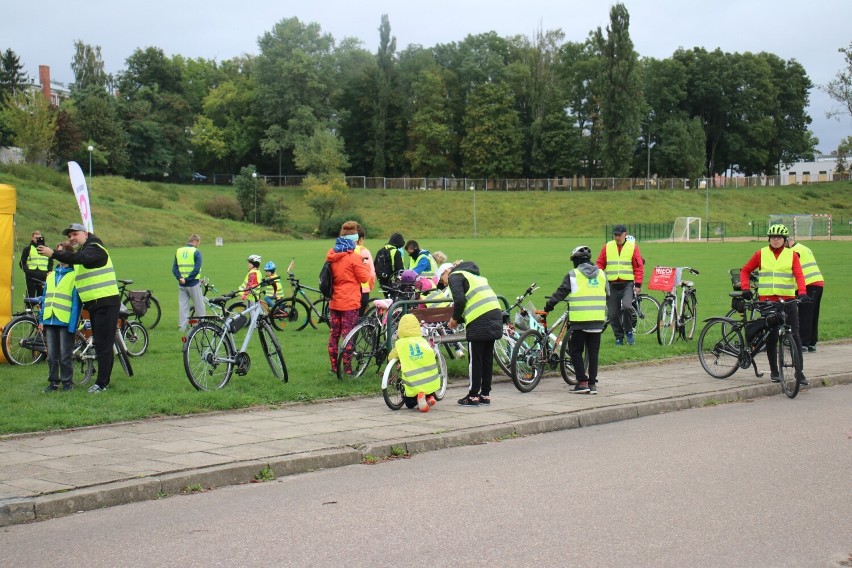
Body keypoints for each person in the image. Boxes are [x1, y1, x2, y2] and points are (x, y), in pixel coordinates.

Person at [38, 223, 120, 393]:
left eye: (75, 234)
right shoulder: (86, 249)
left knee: (103, 345)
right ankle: (101, 381)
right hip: (95, 304)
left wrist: (53, 253)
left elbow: (80, 259)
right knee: (100, 343)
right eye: (69, 236)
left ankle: (102, 383)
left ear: (85, 233)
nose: (72, 238)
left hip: (105, 302)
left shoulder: (95, 247)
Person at [740, 224, 808, 385]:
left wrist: (803, 292)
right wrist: (745, 288)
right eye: (773, 237)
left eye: (779, 238)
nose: (776, 240)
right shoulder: (761, 254)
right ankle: (775, 372)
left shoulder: (792, 255)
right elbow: (745, 270)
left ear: (785, 240)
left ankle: (800, 372)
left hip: (788, 301)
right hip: (768, 302)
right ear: (769, 239)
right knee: (771, 336)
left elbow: (799, 275)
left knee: (795, 335)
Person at [542, 245, 609, 394]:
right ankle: (592, 384)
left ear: (576, 260)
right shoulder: (601, 274)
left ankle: (582, 382)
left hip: (580, 321)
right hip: (598, 320)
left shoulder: (574, 274)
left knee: (575, 351)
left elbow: (560, 293)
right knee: (593, 353)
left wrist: (548, 307)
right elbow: (607, 294)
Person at [444, 260, 503, 406]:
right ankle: (485, 394)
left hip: (479, 320)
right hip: (495, 315)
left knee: (475, 359)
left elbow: (459, 300)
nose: (442, 281)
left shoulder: (455, 276)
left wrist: (454, 319)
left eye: (441, 276)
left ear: (447, 271)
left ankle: (473, 395)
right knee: (487, 358)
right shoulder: (476, 277)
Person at [326, 221, 370, 375]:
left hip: (334, 300)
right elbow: (364, 277)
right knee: (348, 335)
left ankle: (334, 367)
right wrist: (363, 264)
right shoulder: (354, 257)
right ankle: (348, 369)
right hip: (350, 302)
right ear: (355, 240)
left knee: (334, 334)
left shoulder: (332, 254)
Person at [38, 241, 82, 392]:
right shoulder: (50, 276)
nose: (59, 255)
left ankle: (67, 383)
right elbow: (44, 298)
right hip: (50, 319)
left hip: (64, 321)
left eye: (62, 252)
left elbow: (76, 303)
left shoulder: (74, 276)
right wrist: (41, 319)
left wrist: (72, 324)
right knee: (51, 356)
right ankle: (53, 383)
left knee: (65, 355)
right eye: (57, 252)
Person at [596, 224, 644, 346]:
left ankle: (628, 331)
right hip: (611, 285)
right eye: (615, 235)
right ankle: (619, 337)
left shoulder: (633, 247)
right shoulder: (607, 247)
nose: (617, 237)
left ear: (625, 234)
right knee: (612, 314)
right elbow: (600, 264)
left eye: (619, 235)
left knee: (627, 307)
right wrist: (598, 278)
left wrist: (638, 284)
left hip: (627, 284)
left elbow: (638, 267)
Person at [387, 313, 441, 412]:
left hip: (412, 383)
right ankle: (429, 397)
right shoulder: (423, 341)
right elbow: (431, 353)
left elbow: (391, 357)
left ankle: (419, 398)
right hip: (427, 379)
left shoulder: (400, 344)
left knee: (410, 404)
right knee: (428, 385)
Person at [786, 235, 824, 353]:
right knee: (813, 314)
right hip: (818, 282)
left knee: (804, 314)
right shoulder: (805, 248)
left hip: (808, 284)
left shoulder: (793, 251)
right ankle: (812, 343)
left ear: (787, 242)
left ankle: (803, 343)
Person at [173, 234, 204, 330]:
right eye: (198, 243)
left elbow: (174, 268)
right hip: (193, 283)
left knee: (183, 306)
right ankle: (203, 325)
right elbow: (196, 269)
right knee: (199, 306)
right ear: (195, 241)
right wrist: (187, 279)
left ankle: (182, 327)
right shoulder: (196, 252)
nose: (198, 245)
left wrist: (180, 278)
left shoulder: (179, 251)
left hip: (181, 284)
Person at [19, 230, 53, 298]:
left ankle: (40, 308)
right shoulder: (27, 249)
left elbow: (50, 262)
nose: (37, 239)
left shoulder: (46, 249)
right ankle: (29, 308)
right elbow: (22, 262)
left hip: (43, 276)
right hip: (31, 276)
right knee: (30, 296)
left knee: (41, 296)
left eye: (39, 237)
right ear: (32, 238)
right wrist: (27, 271)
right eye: (35, 237)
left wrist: (48, 272)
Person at [354, 224, 376, 316]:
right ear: (361, 238)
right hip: (363, 287)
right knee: (359, 317)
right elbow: (370, 272)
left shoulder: (343, 249)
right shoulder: (363, 251)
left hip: (347, 288)